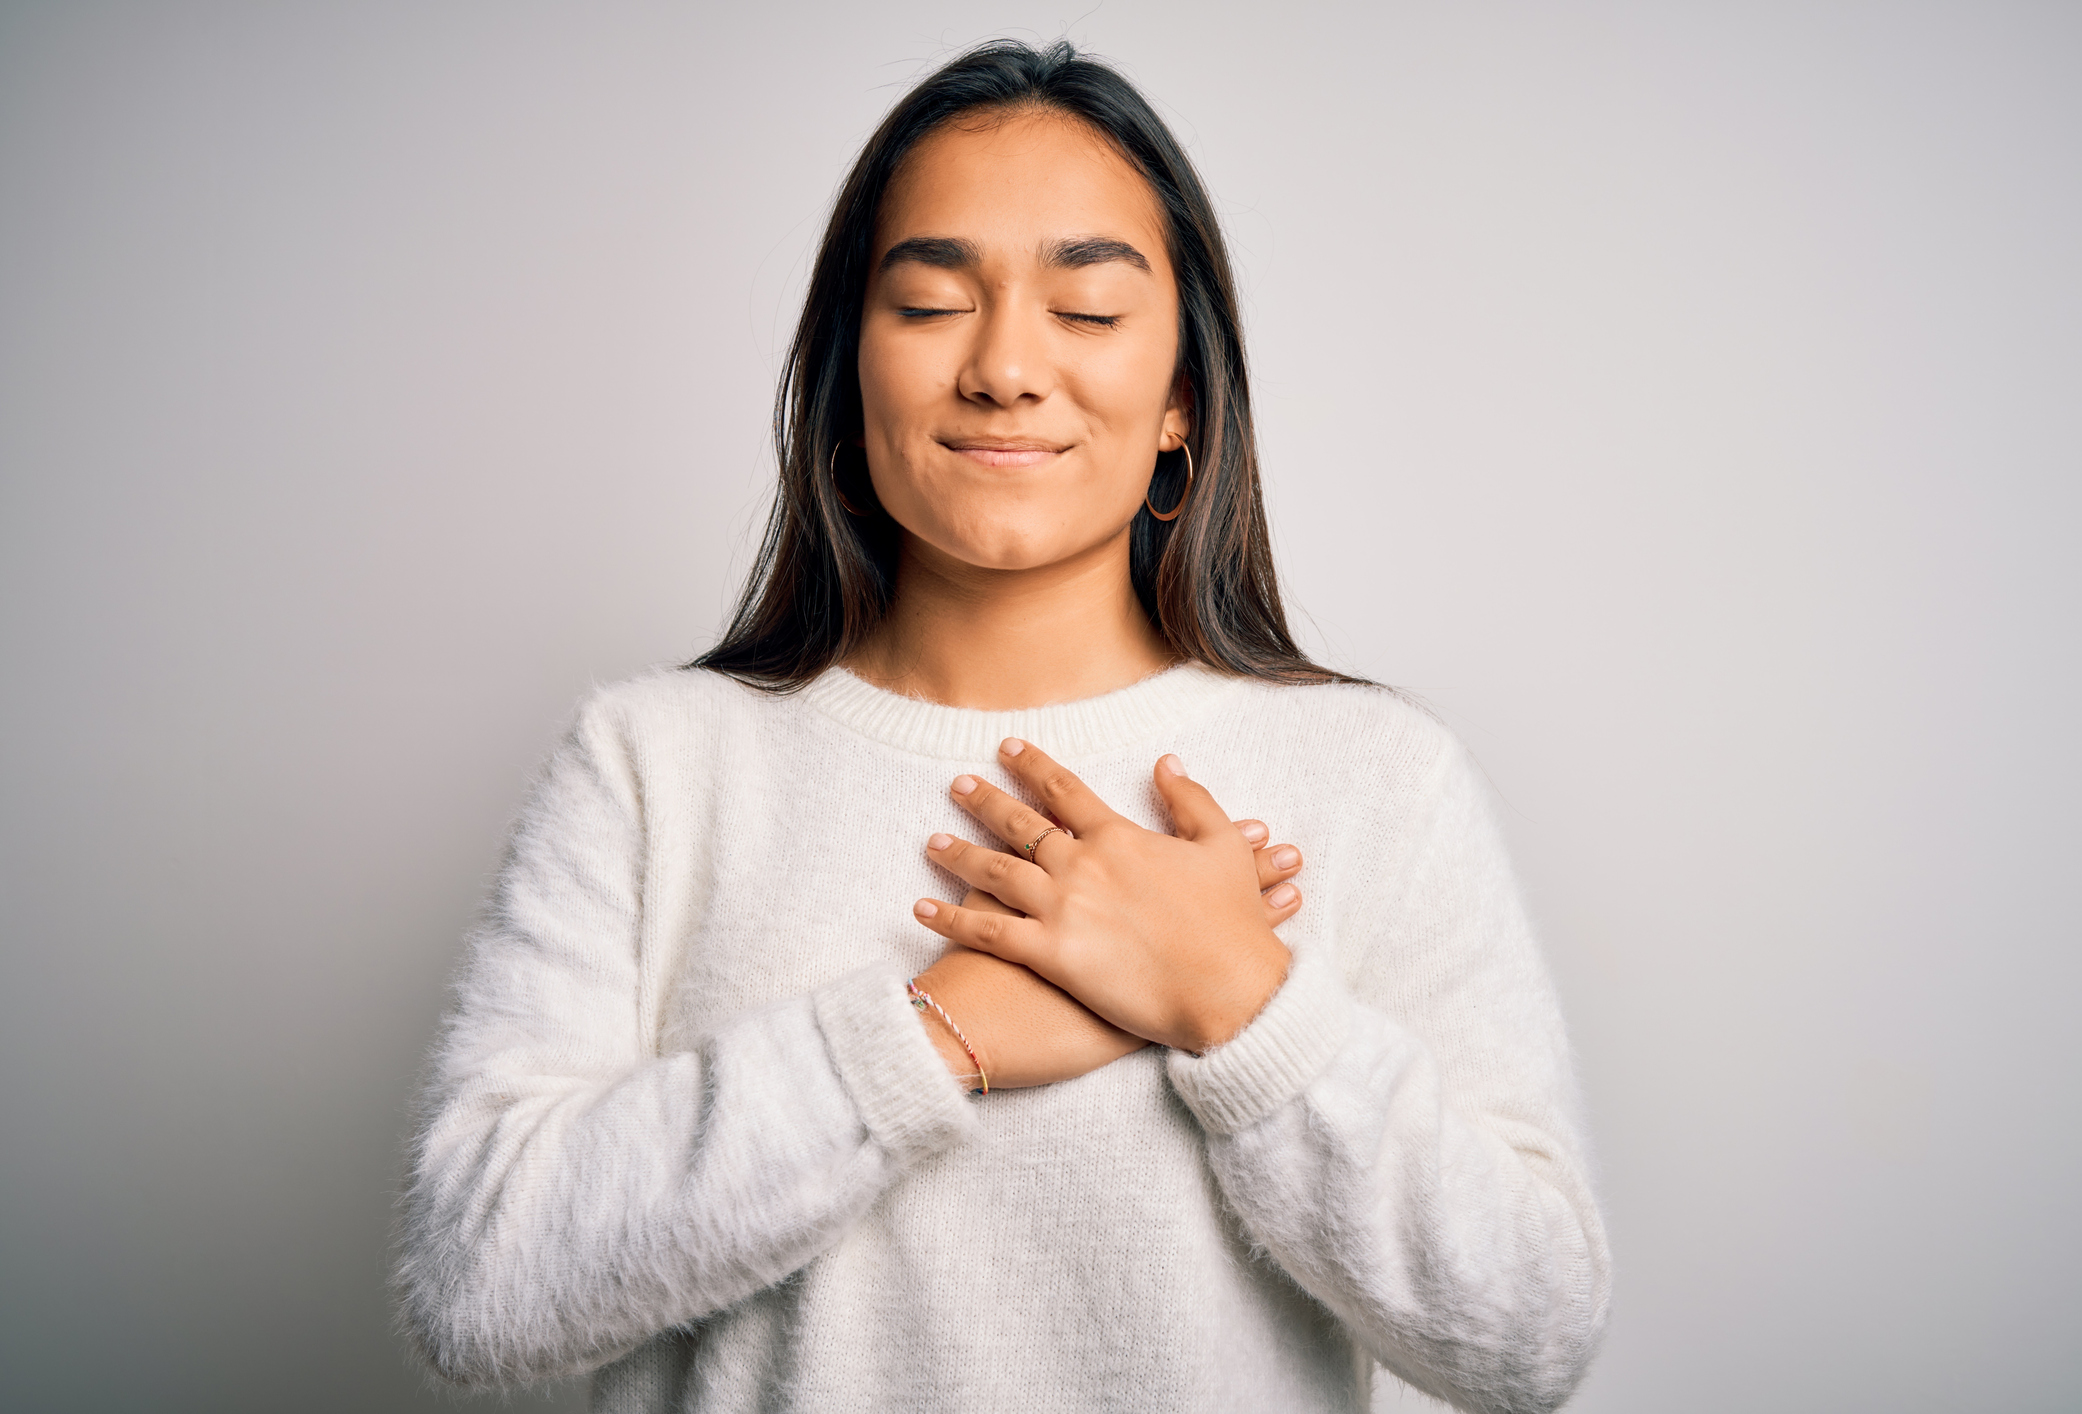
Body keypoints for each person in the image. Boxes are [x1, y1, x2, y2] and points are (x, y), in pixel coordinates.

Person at [398, 39, 1610, 1414]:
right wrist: (931, 1034)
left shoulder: (1375, 776)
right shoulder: (653, 762)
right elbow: (475, 1282)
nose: (1004, 368)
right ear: (847, 379)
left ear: (1181, 407)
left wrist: (1240, 1005)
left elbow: (1529, 1337)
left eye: (1086, 311)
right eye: (928, 302)